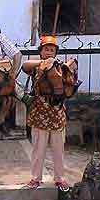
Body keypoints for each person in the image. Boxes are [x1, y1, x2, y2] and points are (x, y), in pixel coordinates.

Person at [22, 36, 69, 191]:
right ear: (41, 51)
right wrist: (43, 63)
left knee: (58, 150)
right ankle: (35, 178)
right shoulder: (36, 67)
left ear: (56, 52)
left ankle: (60, 179)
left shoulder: (61, 67)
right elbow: (25, 65)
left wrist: (55, 65)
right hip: (39, 114)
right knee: (38, 149)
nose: (49, 52)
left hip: (57, 115)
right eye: (46, 49)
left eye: (52, 50)